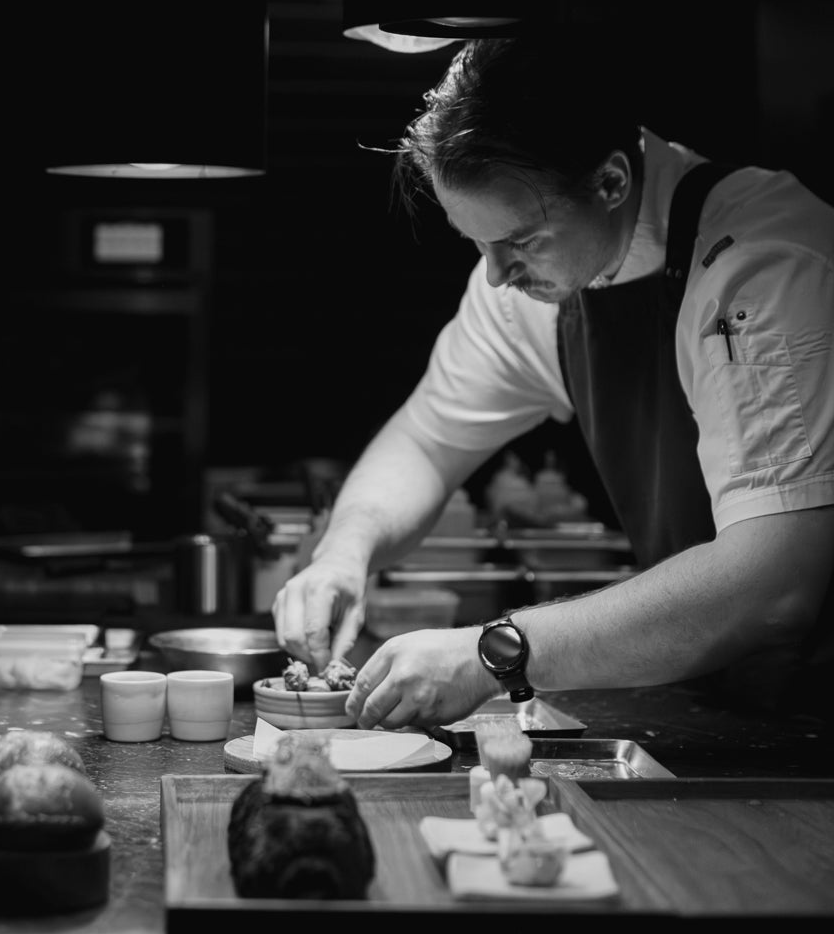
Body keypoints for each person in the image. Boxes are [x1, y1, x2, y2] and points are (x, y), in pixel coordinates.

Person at [273, 36, 834, 727]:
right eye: (475, 243)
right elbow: (425, 441)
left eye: (521, 240)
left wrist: (495, 654)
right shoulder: (532, 280)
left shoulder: (766, 266)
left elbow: (773, 584)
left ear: (610, 183)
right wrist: (343, 554)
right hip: (731, 708)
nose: (498, 274)